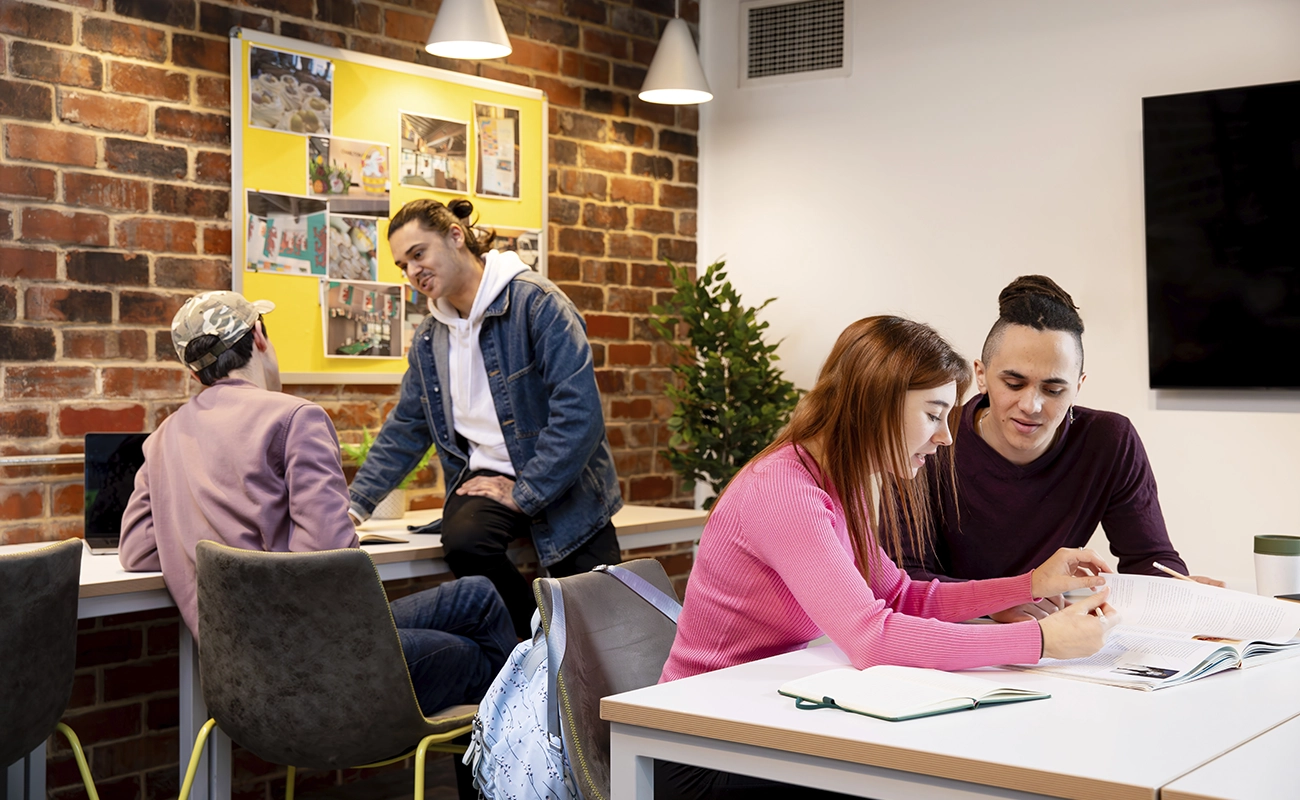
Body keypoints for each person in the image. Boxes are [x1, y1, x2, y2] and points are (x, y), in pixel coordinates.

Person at [656, 316, 1115, 800]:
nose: (946, 437)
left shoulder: (836, 479)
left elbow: (899, 595)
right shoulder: (784, 491)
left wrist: (1029, 585)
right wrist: (1040, 639)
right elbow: (872, 638)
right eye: (934, 414)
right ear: (875, 405)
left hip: (767, 715)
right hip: (701, 747)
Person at [119, 290, 515, 727]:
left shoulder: (160, 440)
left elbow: (137, 552)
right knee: (492, 661)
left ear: (195, 373)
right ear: (260, 337)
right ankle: (514, 771)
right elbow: (331, 562)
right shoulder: (293, 418)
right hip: (323, 670)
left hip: (240, 674)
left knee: (476, 596)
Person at [348, 198, 623, 639]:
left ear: (456, 236)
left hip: (567, 483)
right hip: (486, 480)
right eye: (402, 264)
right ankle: (532, 644)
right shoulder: (429, 338)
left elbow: (580, 415)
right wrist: (353, 507)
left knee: (603, 627)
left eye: (418, 254)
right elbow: (407, 427)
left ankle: (579, 669)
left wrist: (527, 491)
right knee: (466, 543)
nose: (412, 272)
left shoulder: (537, 304)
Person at [900, 276, 1221, 623]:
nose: (1031, 405)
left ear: (1078, 386)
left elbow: (1150, 560)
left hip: (1055, 641)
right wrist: (996, 602)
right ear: (981, 374)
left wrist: (1180, 591)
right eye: (1013, 383)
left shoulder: (1109, 440)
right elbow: (903, 580)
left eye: (1053, 389)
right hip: (953, 637)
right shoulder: (930, 441)